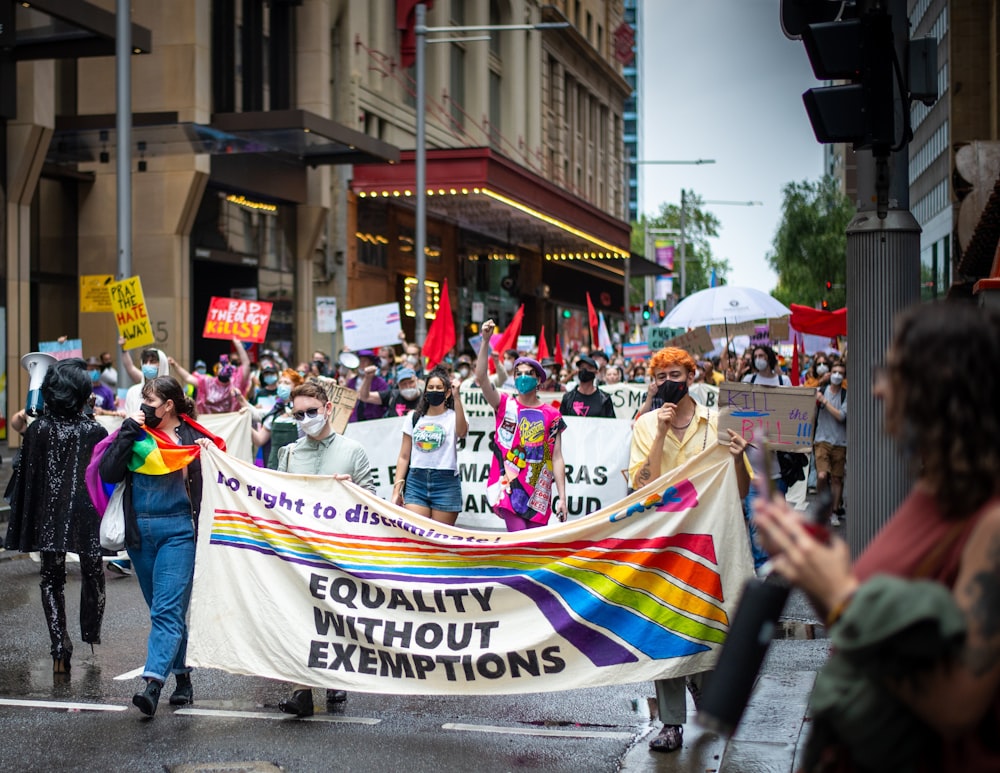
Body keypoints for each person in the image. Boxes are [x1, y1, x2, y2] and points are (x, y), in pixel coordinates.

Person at [753, 301, 1000, 772]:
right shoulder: (929, 490)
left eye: (894, 372)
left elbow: (957, 703)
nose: (878, 389)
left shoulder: (991, 523)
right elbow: (862, 633)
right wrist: (808, 566)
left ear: (942, 385)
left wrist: (842, 594)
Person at [627, 346, 751, 753]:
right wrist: (660, 433)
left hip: (710, 541)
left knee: (707, 622)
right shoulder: (645, 425)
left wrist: (736, 459)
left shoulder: (718, 422)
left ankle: (707, 695)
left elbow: (742, 489)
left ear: (691, 376)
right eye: (660, 377)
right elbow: (642, 486)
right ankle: (671, 722)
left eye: (675, 375)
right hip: (664, 544)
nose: (668, 383)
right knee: (663, 626)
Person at [98, 376, 223, 716]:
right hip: (140, 535)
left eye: (149, 403)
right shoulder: (136, 432)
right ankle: (183, 677)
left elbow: (221, 481)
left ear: (169, 405)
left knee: (166, 610)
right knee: (163, 610)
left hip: (179, 533)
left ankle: (153, 684)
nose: (143, 409)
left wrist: (211, 458)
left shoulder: (195, 438)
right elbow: (108, 472)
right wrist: (126, 430)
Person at [276, 381, 375, 717]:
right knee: (299, 615)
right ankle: (301, 690)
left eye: (312, 412)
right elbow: (275, 502)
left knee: (333, 615)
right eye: (299, 413)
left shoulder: (353, 452)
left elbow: (373, 505)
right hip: (299, 553)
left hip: (339, 552)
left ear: (328, 408)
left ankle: (336, 674)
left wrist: (352, 494)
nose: (306, 418)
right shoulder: (288, 454)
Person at [4, 359, 109, 674]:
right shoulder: (95, 430)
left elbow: (29, 473)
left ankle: (59, 648)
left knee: (51, 579)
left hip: (50, 512)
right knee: (93, 571)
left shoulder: (39, 429)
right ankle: (90, 632)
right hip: (87, 512)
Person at [475, 319, 568, 531]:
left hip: (539, 491)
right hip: (509, 487)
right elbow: (481, 377)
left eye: (529, 373)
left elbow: (557, 456)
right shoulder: (504, 404)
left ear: (538, 380)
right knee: (519, 539)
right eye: (519, 374)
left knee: (531, 550)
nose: (523, 377)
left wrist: (562, 497)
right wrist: (485, 340)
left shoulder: (552, 415)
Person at [391, 367, 468, 525]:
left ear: (447, 393)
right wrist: (397, 489)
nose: (434, 391)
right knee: (416, 533)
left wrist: (457, 397)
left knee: (441, 538)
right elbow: (404, 456)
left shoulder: (454, 416)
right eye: (430, 388)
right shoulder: (414, 417)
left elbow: (462, 432)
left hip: (445, 482)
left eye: (439, 388)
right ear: (425, 392)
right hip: (416, 481)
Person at [170, 337, 250, 414]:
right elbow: (188, 377)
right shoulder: (207, 383)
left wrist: (238, 344)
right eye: (221, 367)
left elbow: (246, 364)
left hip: (230, 424)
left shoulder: (236, 382)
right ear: (217, 370)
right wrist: (175, 365)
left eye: (226, 366)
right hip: (209, 423)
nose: (224, 369)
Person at [814, 360, 847, 525]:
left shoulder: (845, 395)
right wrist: (819, 383)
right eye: (834, 372)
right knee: (822, 475)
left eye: (840, 373)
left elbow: (841, 416)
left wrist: (825, 402)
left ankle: (834, 511)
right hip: (821, 440)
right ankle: (824, 502)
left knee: (836, 479)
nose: (837, 376)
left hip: (840, 442)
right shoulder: (821, 390)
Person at [346, 350, 388, 422]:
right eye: (360, 361)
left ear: (371, 363)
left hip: (374, 422)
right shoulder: (351, 382)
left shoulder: (380, 383)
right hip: (354, 422)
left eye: (365, 361)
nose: (362, 364)